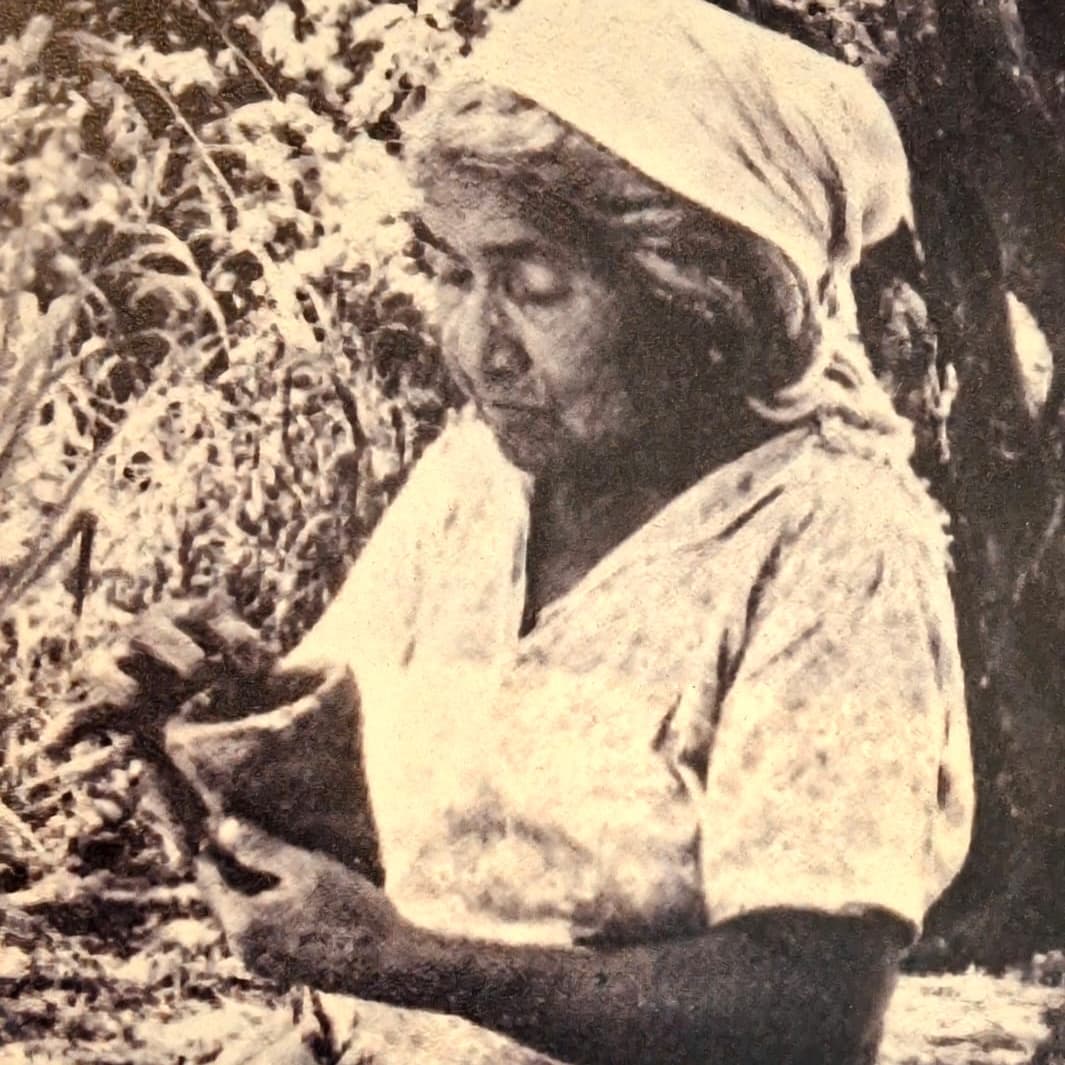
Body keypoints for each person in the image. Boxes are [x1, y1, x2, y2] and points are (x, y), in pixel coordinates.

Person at [119, 2, 975, 1063]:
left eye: (531, 287)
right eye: (448, 273)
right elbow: (362, 858)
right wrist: (215, 722)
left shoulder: (828, 544)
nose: (476, 346)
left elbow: (810, 1014)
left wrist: (407, 963)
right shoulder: (479, 480)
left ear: (702, 301)